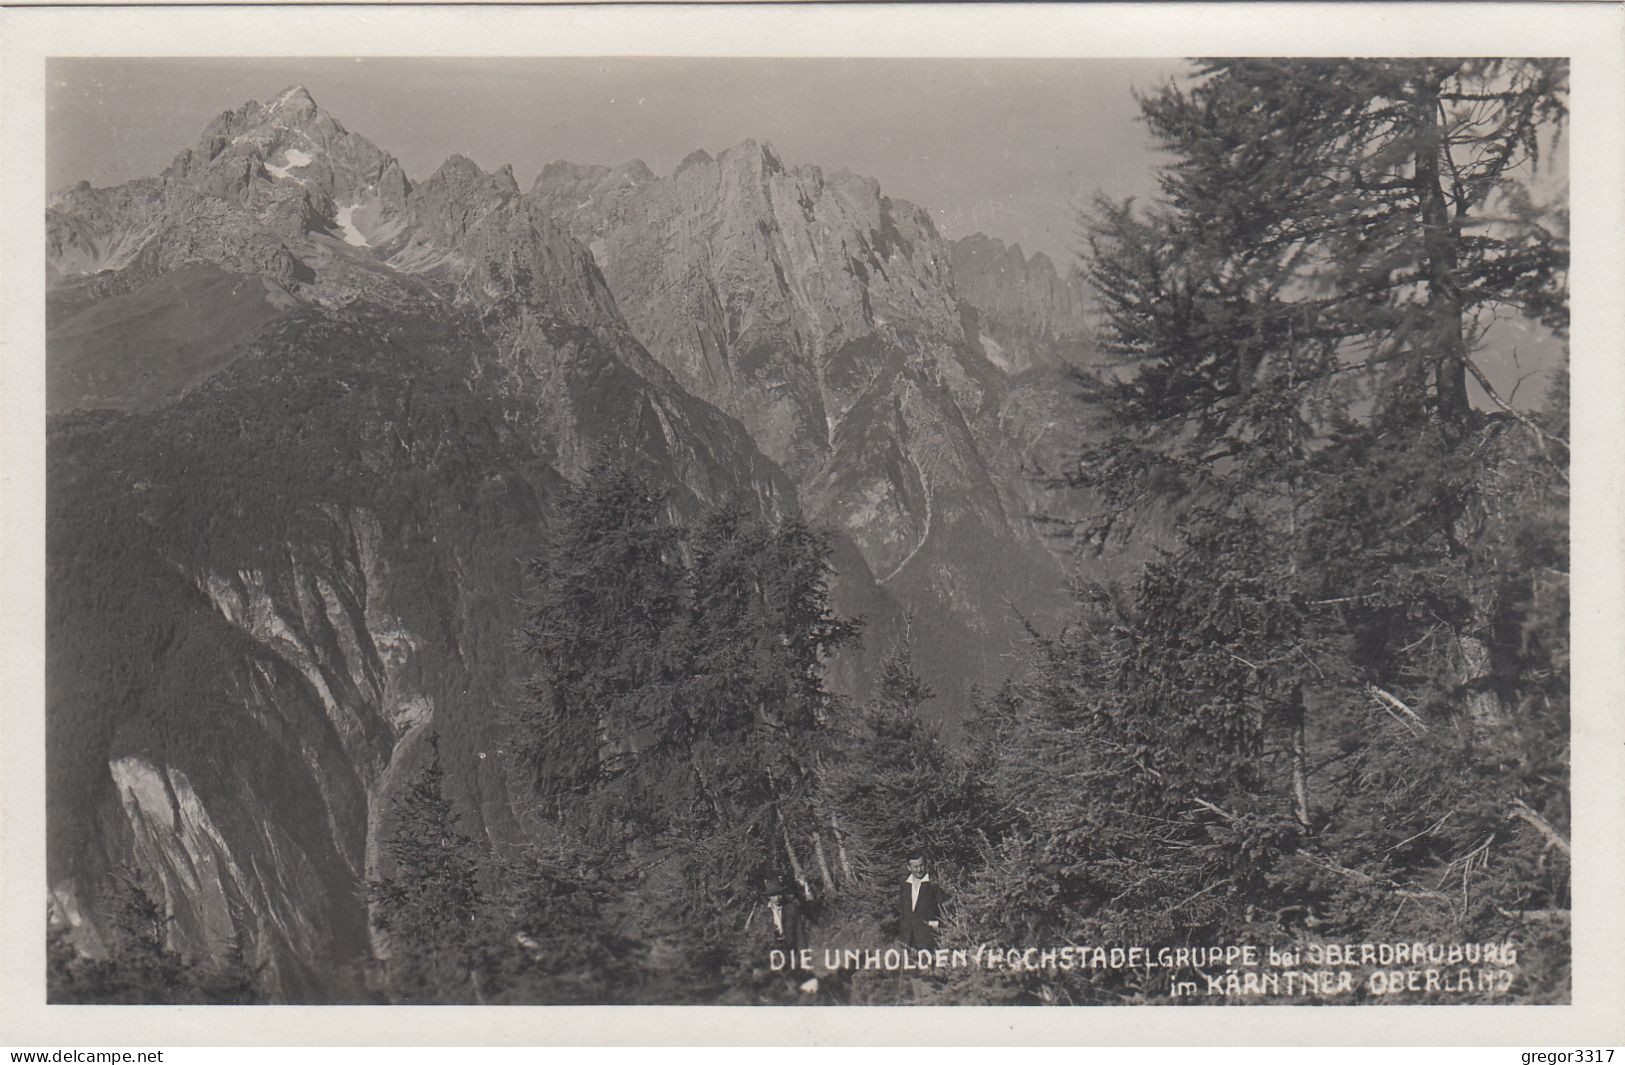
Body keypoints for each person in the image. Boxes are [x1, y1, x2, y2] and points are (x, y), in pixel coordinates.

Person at [762, 876, 818, 995]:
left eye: (779, 894)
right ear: (768, 896)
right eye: (774, 895)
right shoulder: (763, 913)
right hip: (773, 951)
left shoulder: (792, 909)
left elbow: (800, 934)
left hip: (791, 949)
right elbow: (759, 937)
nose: (777, 898)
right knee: (776, 981)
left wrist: (805, 957)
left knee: (797, 977)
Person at [898, 854, 946, 949]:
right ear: (909, 867)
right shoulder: (904, 885)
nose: (919, 870)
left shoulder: (933, 885)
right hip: (906, 940)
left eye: (921, 865)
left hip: (927, 940)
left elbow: (944, 910)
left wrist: (935, 925)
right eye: (915, 867)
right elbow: (903, 911)